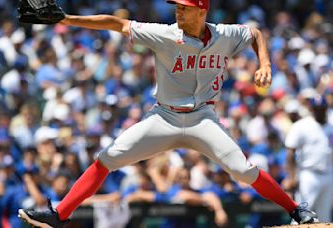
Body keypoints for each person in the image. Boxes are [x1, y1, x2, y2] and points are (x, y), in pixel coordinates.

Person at [18, 0, 318, 227]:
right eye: (177, 6)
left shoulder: (225, 34)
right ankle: (60, 214)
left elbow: (254, 33)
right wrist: (68, 19)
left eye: (184, 8)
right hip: (164, 117)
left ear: (201, 11)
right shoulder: (164, 34)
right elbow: (116, 24)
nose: (177, 11)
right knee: (106, 159)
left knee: (243, 170)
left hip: (203, 118)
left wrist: (264, 64)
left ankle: (296, 209)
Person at [283, 96, 333, 222]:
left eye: (321, 109)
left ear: (326, 108)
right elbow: (290, 152)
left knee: (325, 215)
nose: (319, 111)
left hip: (328, 173)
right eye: (316, 109)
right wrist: (291, 176)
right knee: (303, 214)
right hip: (309, 174)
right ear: (311, 109)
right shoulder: (302, 125)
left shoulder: (331, 125)